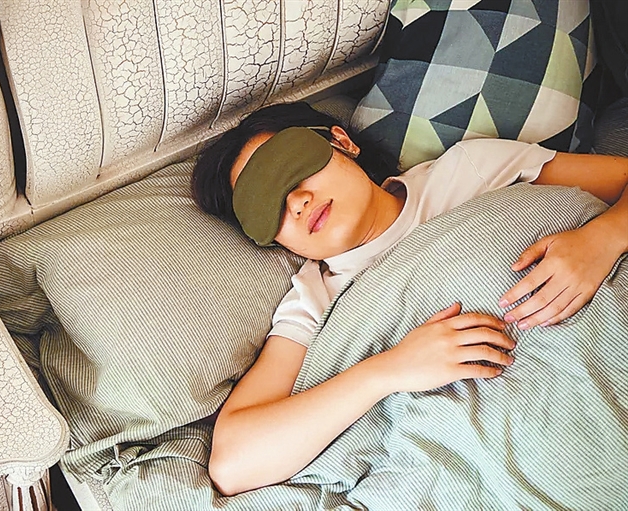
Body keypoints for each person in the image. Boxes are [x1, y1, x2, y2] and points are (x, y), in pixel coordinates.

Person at [191, 101, 628, 496]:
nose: (299, 202)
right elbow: (233, 464)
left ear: (342, 143)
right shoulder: (313, 300)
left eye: (293, 166)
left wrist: (604, 237)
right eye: (268, 207)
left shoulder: (468, 170)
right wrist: (390, 369)